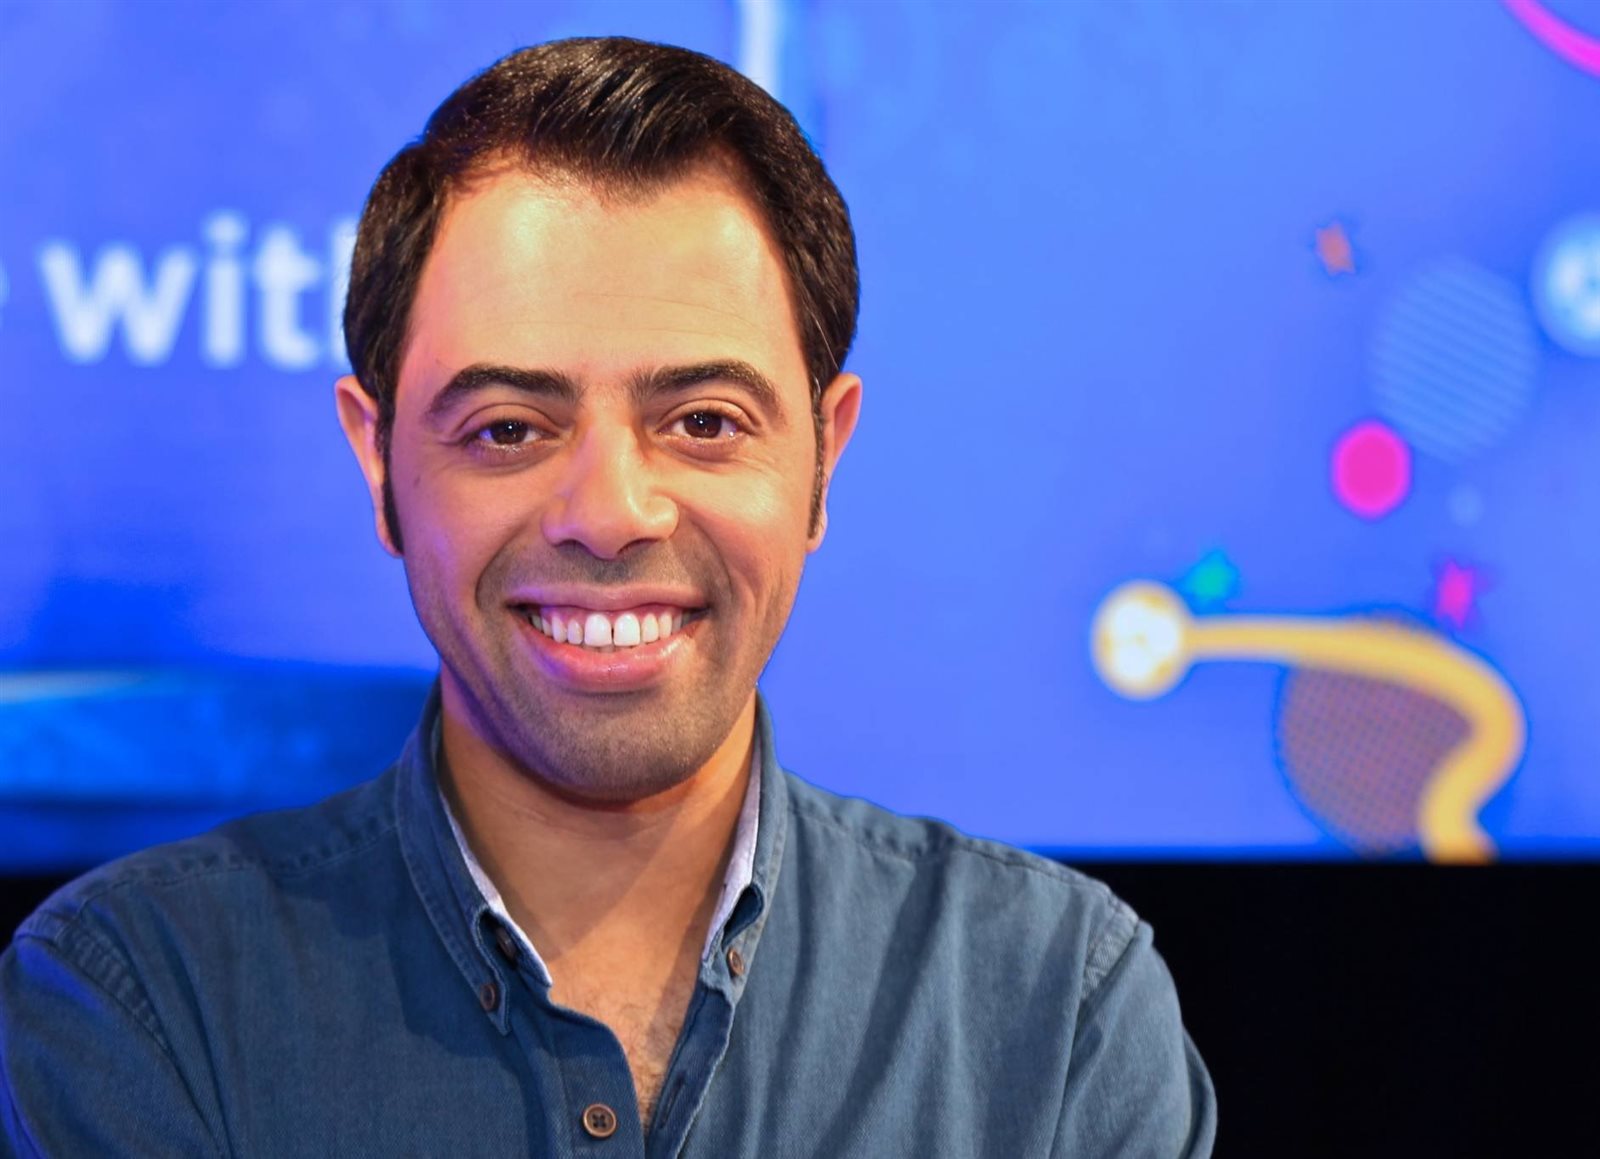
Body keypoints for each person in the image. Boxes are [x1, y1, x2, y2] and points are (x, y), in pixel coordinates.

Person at [0, 37, 1215, 1157]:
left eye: (704, 422)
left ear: (823, 456)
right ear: (377, 464)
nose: (610, 511)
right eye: (508, 428)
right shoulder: (144, 999)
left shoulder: (1055, 1008)